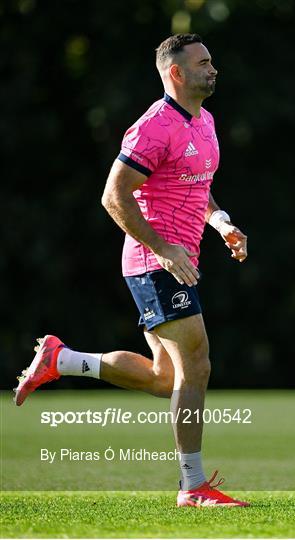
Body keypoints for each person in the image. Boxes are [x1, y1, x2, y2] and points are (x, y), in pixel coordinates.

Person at [14, 34, 248, 507]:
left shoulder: (205, 122)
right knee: (196, 364)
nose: (213, 69)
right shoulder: (153, 126)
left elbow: (197, 186)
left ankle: (62, 360)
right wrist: (163, 249)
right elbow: (113, 196)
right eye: (203, 63)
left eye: (212, 61)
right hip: (154, 263)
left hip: (177, 261)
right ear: (176, 73)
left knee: (167, 378)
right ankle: (193, 486)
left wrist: (221, 223)